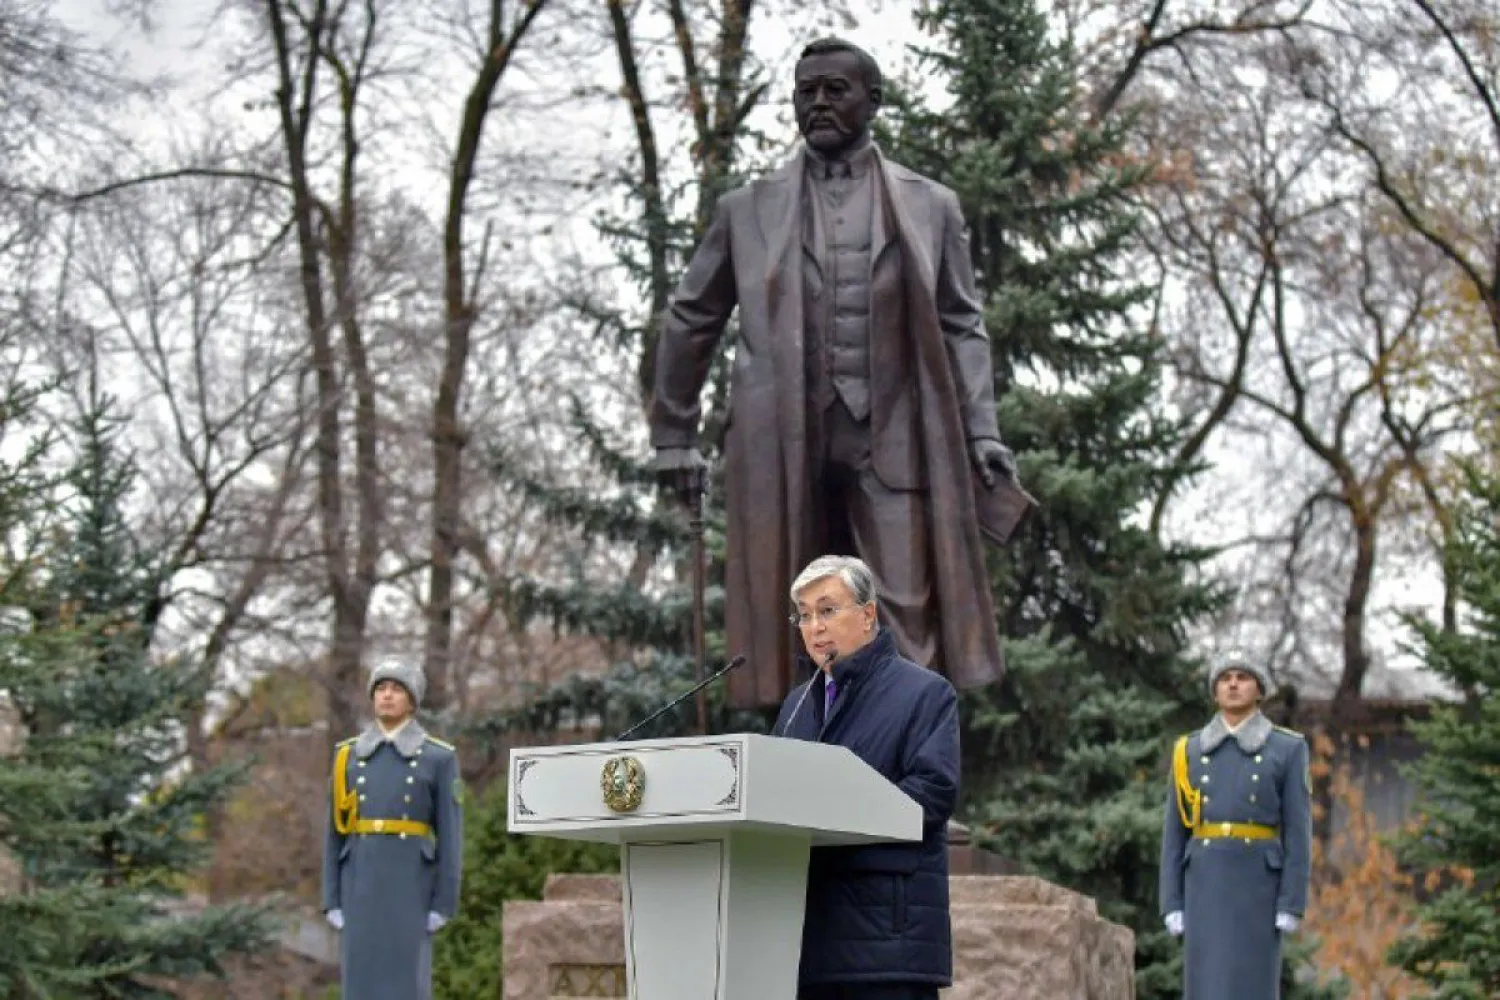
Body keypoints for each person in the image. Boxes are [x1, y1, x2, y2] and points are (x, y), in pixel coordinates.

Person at [651, 36, 1030, 711]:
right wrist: (673, 435)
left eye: (835, 89)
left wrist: (982, 432)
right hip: (779, 441)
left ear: (873, 101)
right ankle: (803, 770)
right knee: (792, 613)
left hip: (894, 436)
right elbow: (691, 317)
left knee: (905, 610)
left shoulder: (930, 205)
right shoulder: (747, 209)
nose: (818, 102)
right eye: (806, 91)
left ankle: (908, 773)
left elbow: (962, 323)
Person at [773, 554, 960, 1000]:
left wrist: (832, 816)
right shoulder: (796, 706)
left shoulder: (925, 694)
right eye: (803, 615)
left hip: (886, 946)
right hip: (805, 946)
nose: (814, 626)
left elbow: (931, 795)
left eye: (827, 609)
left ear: (868, 615)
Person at [1159, 659, 1312, 999]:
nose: (1232, 684)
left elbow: (1298, 832)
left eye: (1243, 677)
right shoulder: (1190, 750)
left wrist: (1292, 902)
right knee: (1205, 986)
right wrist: (1172, 901)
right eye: (1225, 679)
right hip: (1204, 884)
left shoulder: (1286, 748)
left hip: (1258, 886)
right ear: (1215, 691)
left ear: (1259, 689)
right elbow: (1174, 833)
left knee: (1251, 985)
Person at [322, 662, 464, 1000]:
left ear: (413, 701)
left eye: (397, 689)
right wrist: (331, 899)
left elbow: (451, 837)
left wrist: (444, 903)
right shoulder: (348, 756)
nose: (387, 695)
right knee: (360, 984)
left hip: (410, 887)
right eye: (380, 688)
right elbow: (333, 834)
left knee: (406, 985)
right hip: (359, 884)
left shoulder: (437, 758)